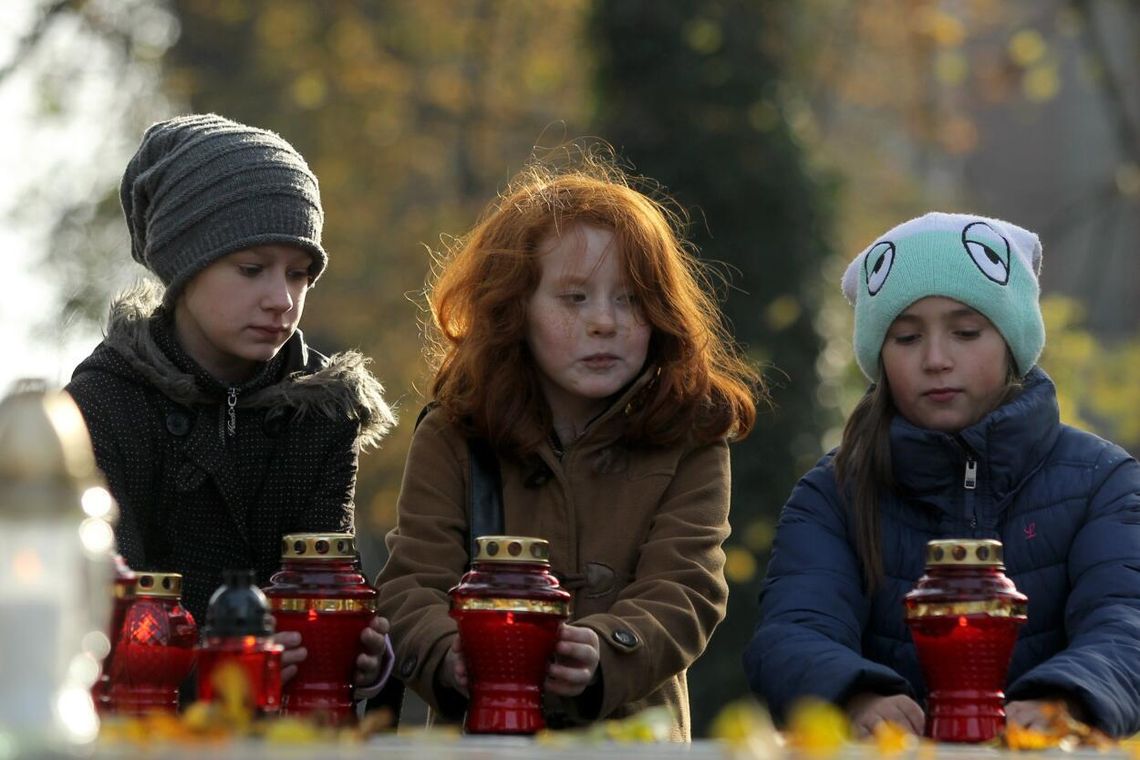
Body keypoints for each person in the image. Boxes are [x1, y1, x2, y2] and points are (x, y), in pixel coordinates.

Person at [374, 150, 761, 740]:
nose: (604, 322)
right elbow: (410, 586)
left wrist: (607, 650)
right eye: (575, 298)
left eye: (629, 298)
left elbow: (686, 587)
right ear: (515, 307)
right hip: (485, 740)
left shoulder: (691, 434)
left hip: (632, 741)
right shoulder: (455, 432)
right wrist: (449, 653)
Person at [743, 211, 1140, 738]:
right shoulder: (832, 494)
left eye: (966, 332)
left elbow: (1127, 623)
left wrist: (1065, 699)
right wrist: (854, 695)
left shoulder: (1103, 483)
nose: (935, 359)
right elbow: (791, 633)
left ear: (1012, 341)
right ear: (879, 355)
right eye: (906, 338)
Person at [66, 113, 397, 698]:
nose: (281, 300)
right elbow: (102, 617)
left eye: (299, 275)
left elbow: (326, 572)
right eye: (251, 270)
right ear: (184, 265)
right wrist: (225, 667)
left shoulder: (323, 410)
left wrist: (353, 650)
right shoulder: (104, 404)